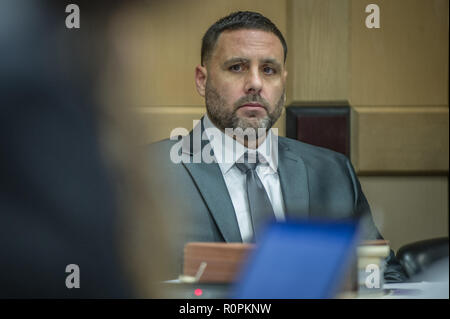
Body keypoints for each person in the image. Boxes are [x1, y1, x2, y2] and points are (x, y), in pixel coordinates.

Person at [149, 11, 407, 282]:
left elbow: (383, 276)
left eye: (269, 70)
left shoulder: (332, 172)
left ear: (283, 80)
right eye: (237, 67)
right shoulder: (148, 172)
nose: (255, 84)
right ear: (202, 80)